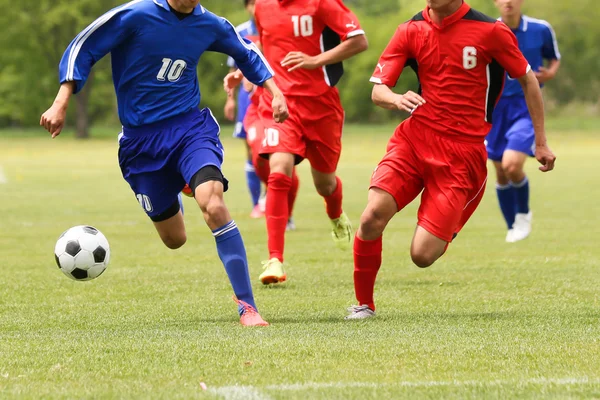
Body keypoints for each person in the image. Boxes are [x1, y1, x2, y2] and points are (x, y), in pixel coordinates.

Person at [39, 0, 288, 326]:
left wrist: (275, 91)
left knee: (212, 203)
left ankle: (247, 307)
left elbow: (247, 52)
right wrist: (61, 102)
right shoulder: (136, 16)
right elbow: (83, 47)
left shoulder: (209, 25)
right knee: (175, 239)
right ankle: (179, 181)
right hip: (141, 145)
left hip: (189, 130)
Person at [345, 0, 556, 320]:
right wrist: (397, 98)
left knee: (422, 255)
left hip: (462, 156)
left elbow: (529, 80)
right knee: (372, 216)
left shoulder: (491, 31)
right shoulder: (410, 30)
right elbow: (379, 91)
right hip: (413, 142)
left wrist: (540, 142)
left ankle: (451, 218)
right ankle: (364, 305)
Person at [226, 0, 369, 285]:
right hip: (281, 103)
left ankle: (335, 213)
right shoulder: (263, 7)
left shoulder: (322, 4)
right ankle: (275, 259)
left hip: (321, 107)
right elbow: (265, 52)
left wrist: (316, 60)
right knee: (279, 168)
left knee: (325, 184)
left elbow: (359, 41)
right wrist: (244, 73)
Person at [486, 0, 561, 242]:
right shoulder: (486, 30)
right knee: (499, 170)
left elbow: (553, 58)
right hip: (494, 109)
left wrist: (550, 73)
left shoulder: (541, 29)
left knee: (511, 165)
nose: (508, 1)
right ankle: (512, 226)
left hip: (525, 106)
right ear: (495, 2)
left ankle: (524, 214)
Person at [223, 0, 265, 219]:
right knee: (250, 149)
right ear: (247, 7)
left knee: (277, 151)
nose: (257, 8)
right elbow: (233, 69)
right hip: (247, 98)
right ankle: (258, 202)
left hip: (271, 95)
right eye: (253, 4)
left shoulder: (275, 26)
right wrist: (230, 100)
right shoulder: (240, 31)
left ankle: (278, 204)